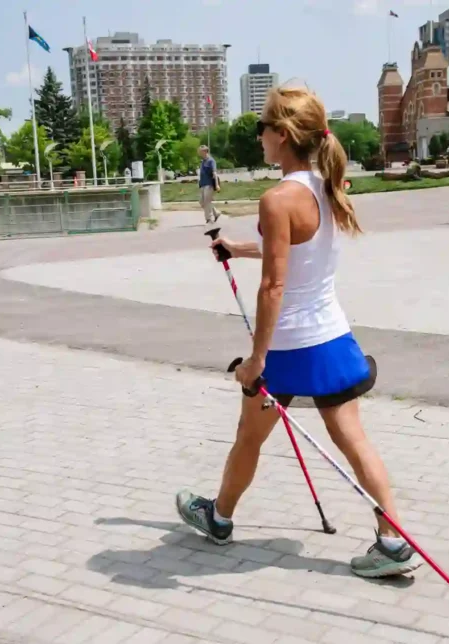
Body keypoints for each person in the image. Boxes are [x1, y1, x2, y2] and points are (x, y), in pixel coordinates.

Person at [175, 86, 423, 579]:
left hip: (288, 347)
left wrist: (256, 360)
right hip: (331, 337)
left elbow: (274, 285)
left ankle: (219, 518)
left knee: (249, 437)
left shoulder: (277, 198)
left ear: (282, 135)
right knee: (353, 438)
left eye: (261, 128)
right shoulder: (327, 186)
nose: (259, 137)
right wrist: (237, 248)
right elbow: (289, 251)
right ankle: (392, 541)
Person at [198, 145, 221, 224]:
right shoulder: (202, 161)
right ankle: (216, 213)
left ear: (205, 151)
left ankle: (208, 219)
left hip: (209, 184)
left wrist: (217, 185)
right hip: (202, 184)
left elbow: (214, 173)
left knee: (207, 202)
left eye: (200, 151)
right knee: (202, 201)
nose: (199, 153)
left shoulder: (211, 161)